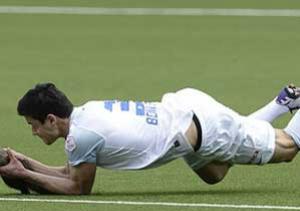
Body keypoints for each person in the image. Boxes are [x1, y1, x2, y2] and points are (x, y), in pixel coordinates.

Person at [0, 83, 299, 195]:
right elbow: (69, 173)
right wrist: (25, 163)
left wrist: (24, 174)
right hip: (185, 117)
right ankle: (282, 103)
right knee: (215, 173)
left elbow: (77, 187)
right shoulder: (85, 114)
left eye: (34, 125)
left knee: (288, 146)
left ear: (52, 119)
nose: (33, 132)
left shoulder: (81, 137)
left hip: (204, 128)